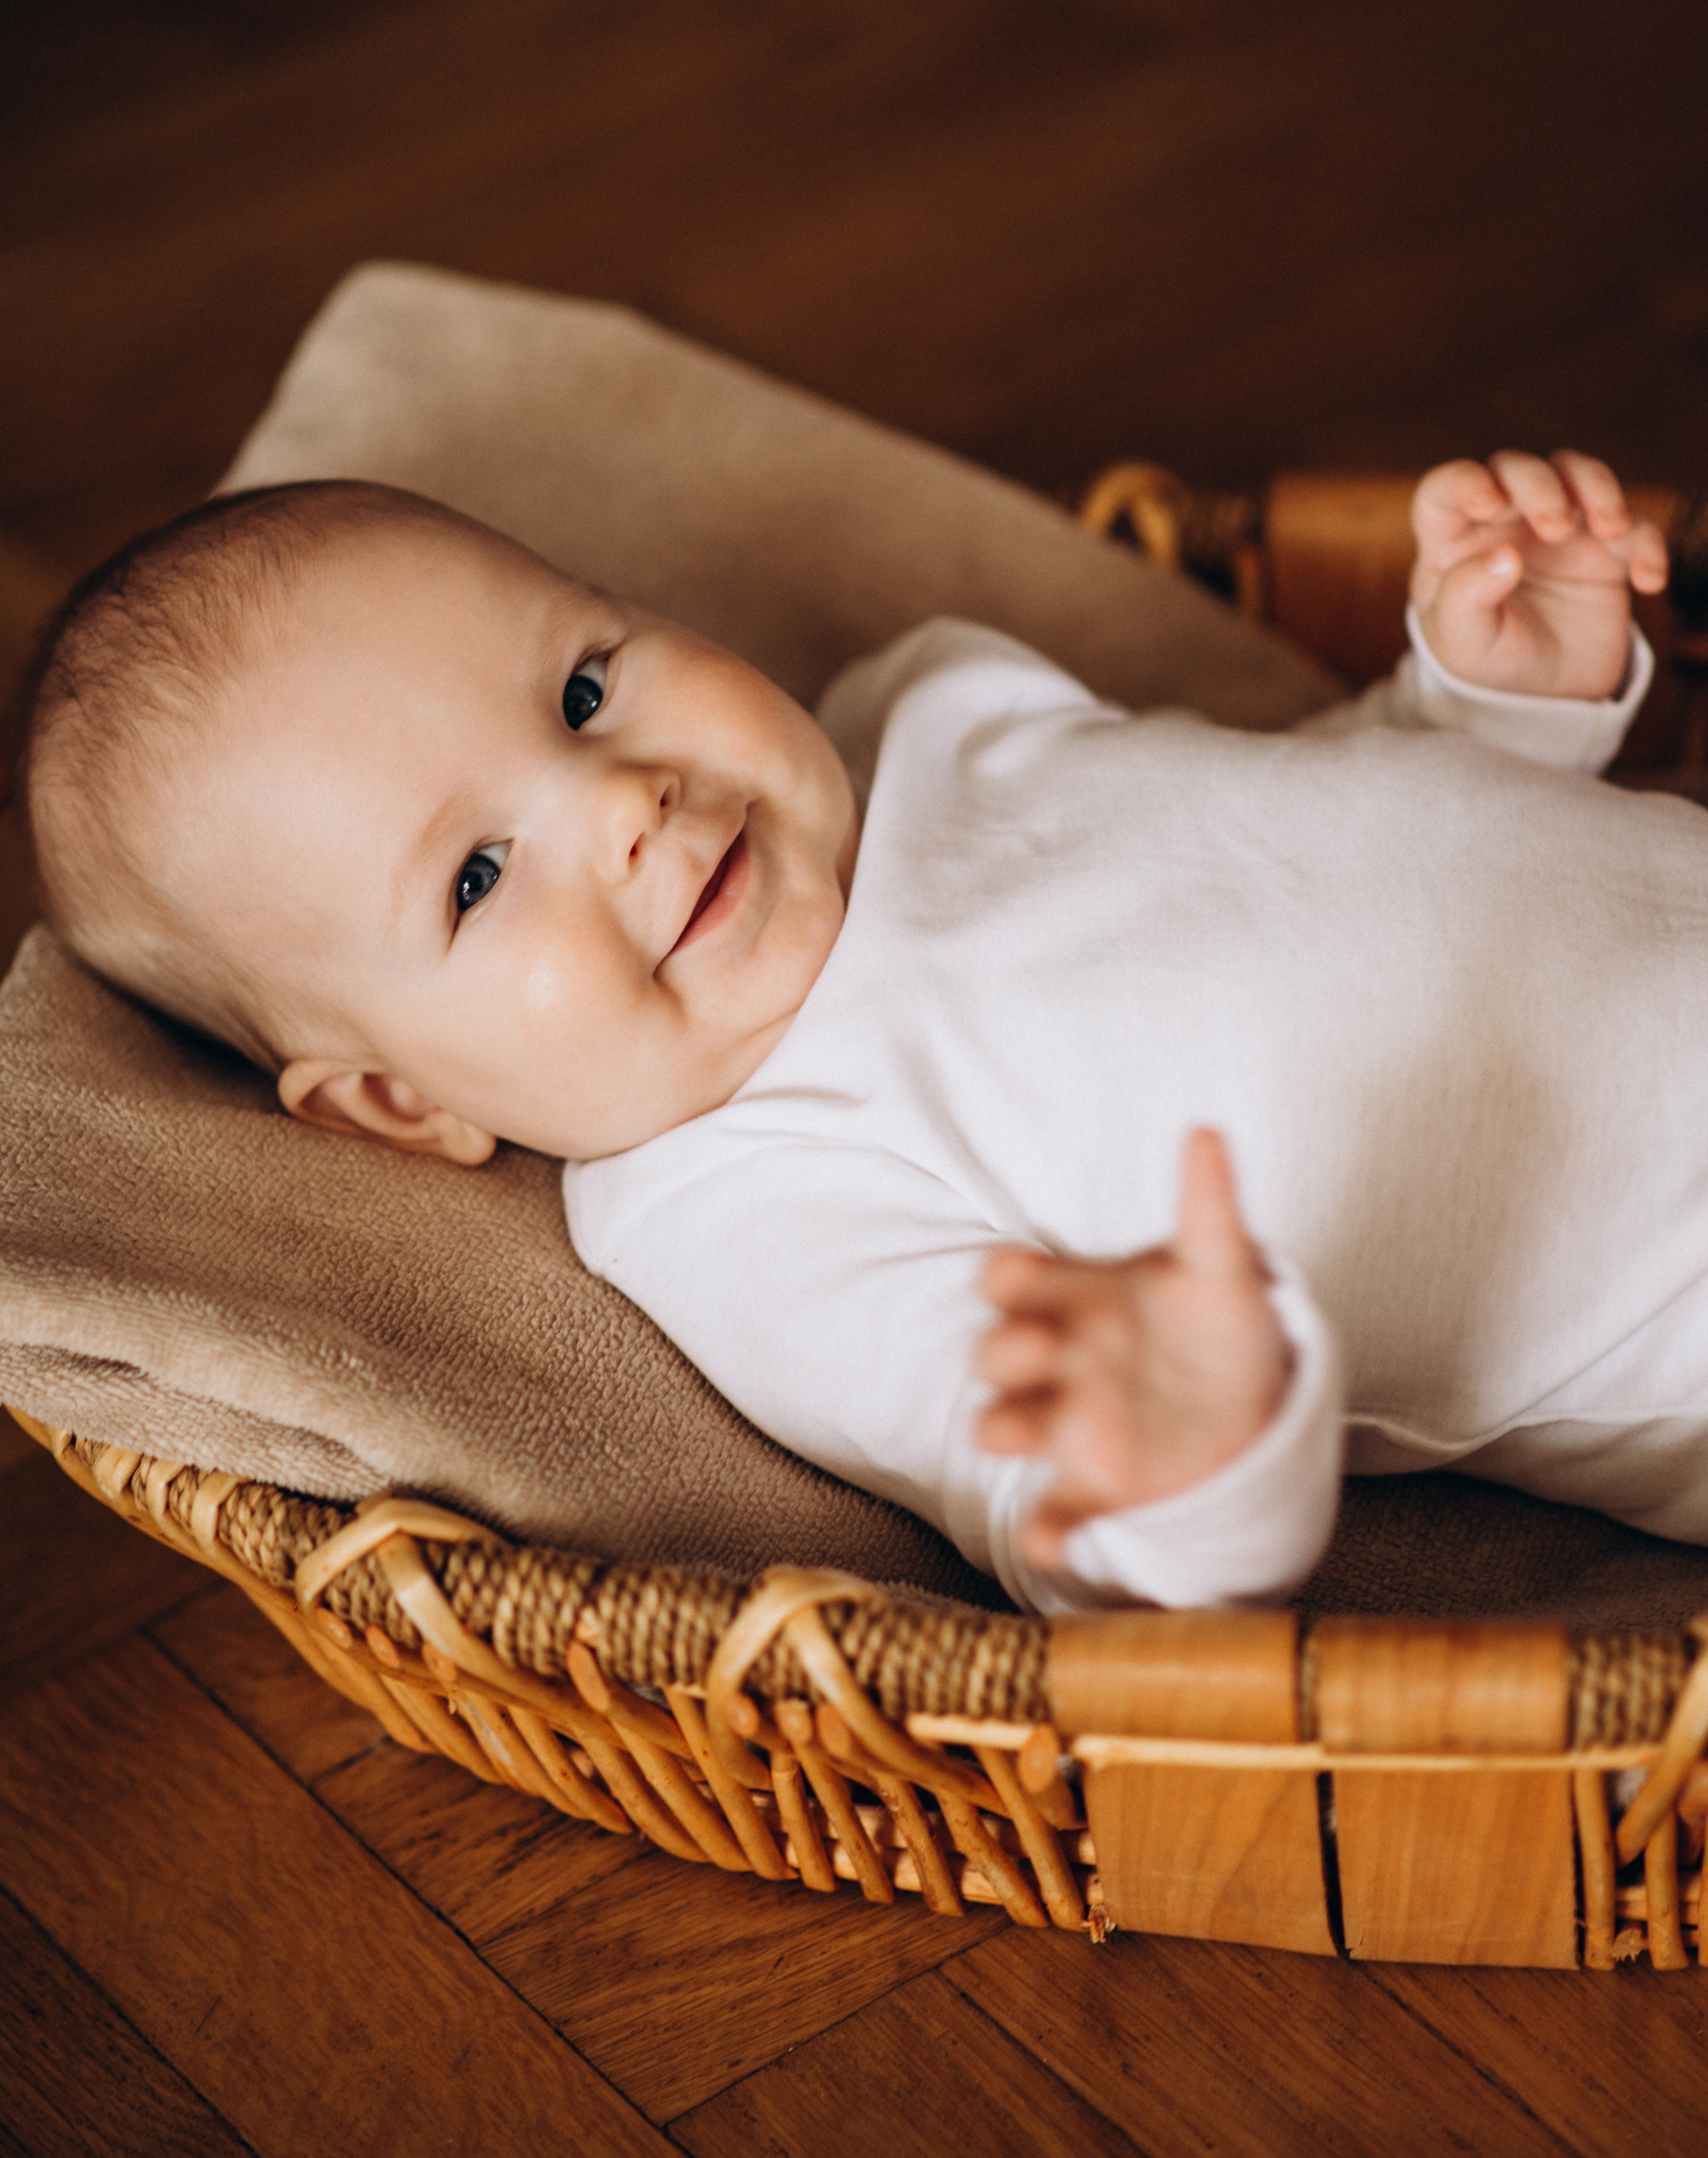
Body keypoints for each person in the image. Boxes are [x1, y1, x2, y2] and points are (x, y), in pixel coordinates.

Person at [15, 449, 1700, 1612]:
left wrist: (1483, 703)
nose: (621, 805)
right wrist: (1173, 1446)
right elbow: (1034, 1498)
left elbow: (1304, 815)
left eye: (585, 688)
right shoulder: (736, 1202)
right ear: (393, 1099)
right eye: (471, 874)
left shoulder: (925, 704)